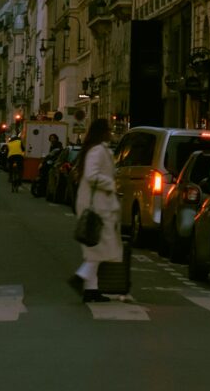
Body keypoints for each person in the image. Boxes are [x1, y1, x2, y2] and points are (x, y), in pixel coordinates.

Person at [68, 117, 122, 304]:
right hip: (97, 205)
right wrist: (111, 184)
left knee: (96, 248)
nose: (111, 132)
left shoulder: (98, 149)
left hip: (97, 203)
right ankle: (82, 279)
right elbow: (92, 176)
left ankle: (90, 289)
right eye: (108, 129)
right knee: (103, 248)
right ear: (103, 132)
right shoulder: (98, 151)